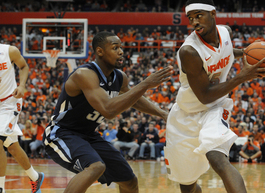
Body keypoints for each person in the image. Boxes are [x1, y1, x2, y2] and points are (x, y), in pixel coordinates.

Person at [164, 0, 265, 193]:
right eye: (191, 18)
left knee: (217, 157)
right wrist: (242, 77)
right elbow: (204, 94)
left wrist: (248, 54)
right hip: (185, 116)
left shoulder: (225, 32)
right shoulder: (189, 51)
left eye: (199, 15)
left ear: (213, 13)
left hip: (214, 108)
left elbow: (227, 51)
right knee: (187, 184)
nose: (194, 22)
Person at [42, 31, 172, 193]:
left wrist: (163, 114)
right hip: (62, 133)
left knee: (129, 180)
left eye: (121, 47)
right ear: (100, 51)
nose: (121, 51)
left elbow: (135, 99)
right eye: (115, 47)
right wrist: (145, 84)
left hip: (88, 135)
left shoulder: (119, 77)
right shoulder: (85, 74)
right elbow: (108, 110)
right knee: (95, 167)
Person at [0, 44, 44, 193]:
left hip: (9, 102)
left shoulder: (9, 51)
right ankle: (35, 177)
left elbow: (24, 66)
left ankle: (1, 188)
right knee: (12, 146)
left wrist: (22, 85)